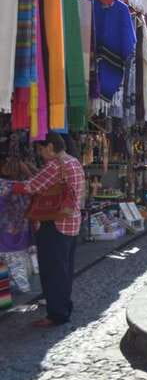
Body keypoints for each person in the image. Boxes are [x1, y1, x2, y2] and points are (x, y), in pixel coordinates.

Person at [12, 132, 85, 327]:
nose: (40, 153)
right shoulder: (73, 162)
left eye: (41, 149)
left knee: (52, 270)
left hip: (55, 223)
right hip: (71, 221)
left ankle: (56, 314)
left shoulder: (55, 165)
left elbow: (31, 186)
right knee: (64, 269)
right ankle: (64, 307)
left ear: (51, 147)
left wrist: (8, 185)